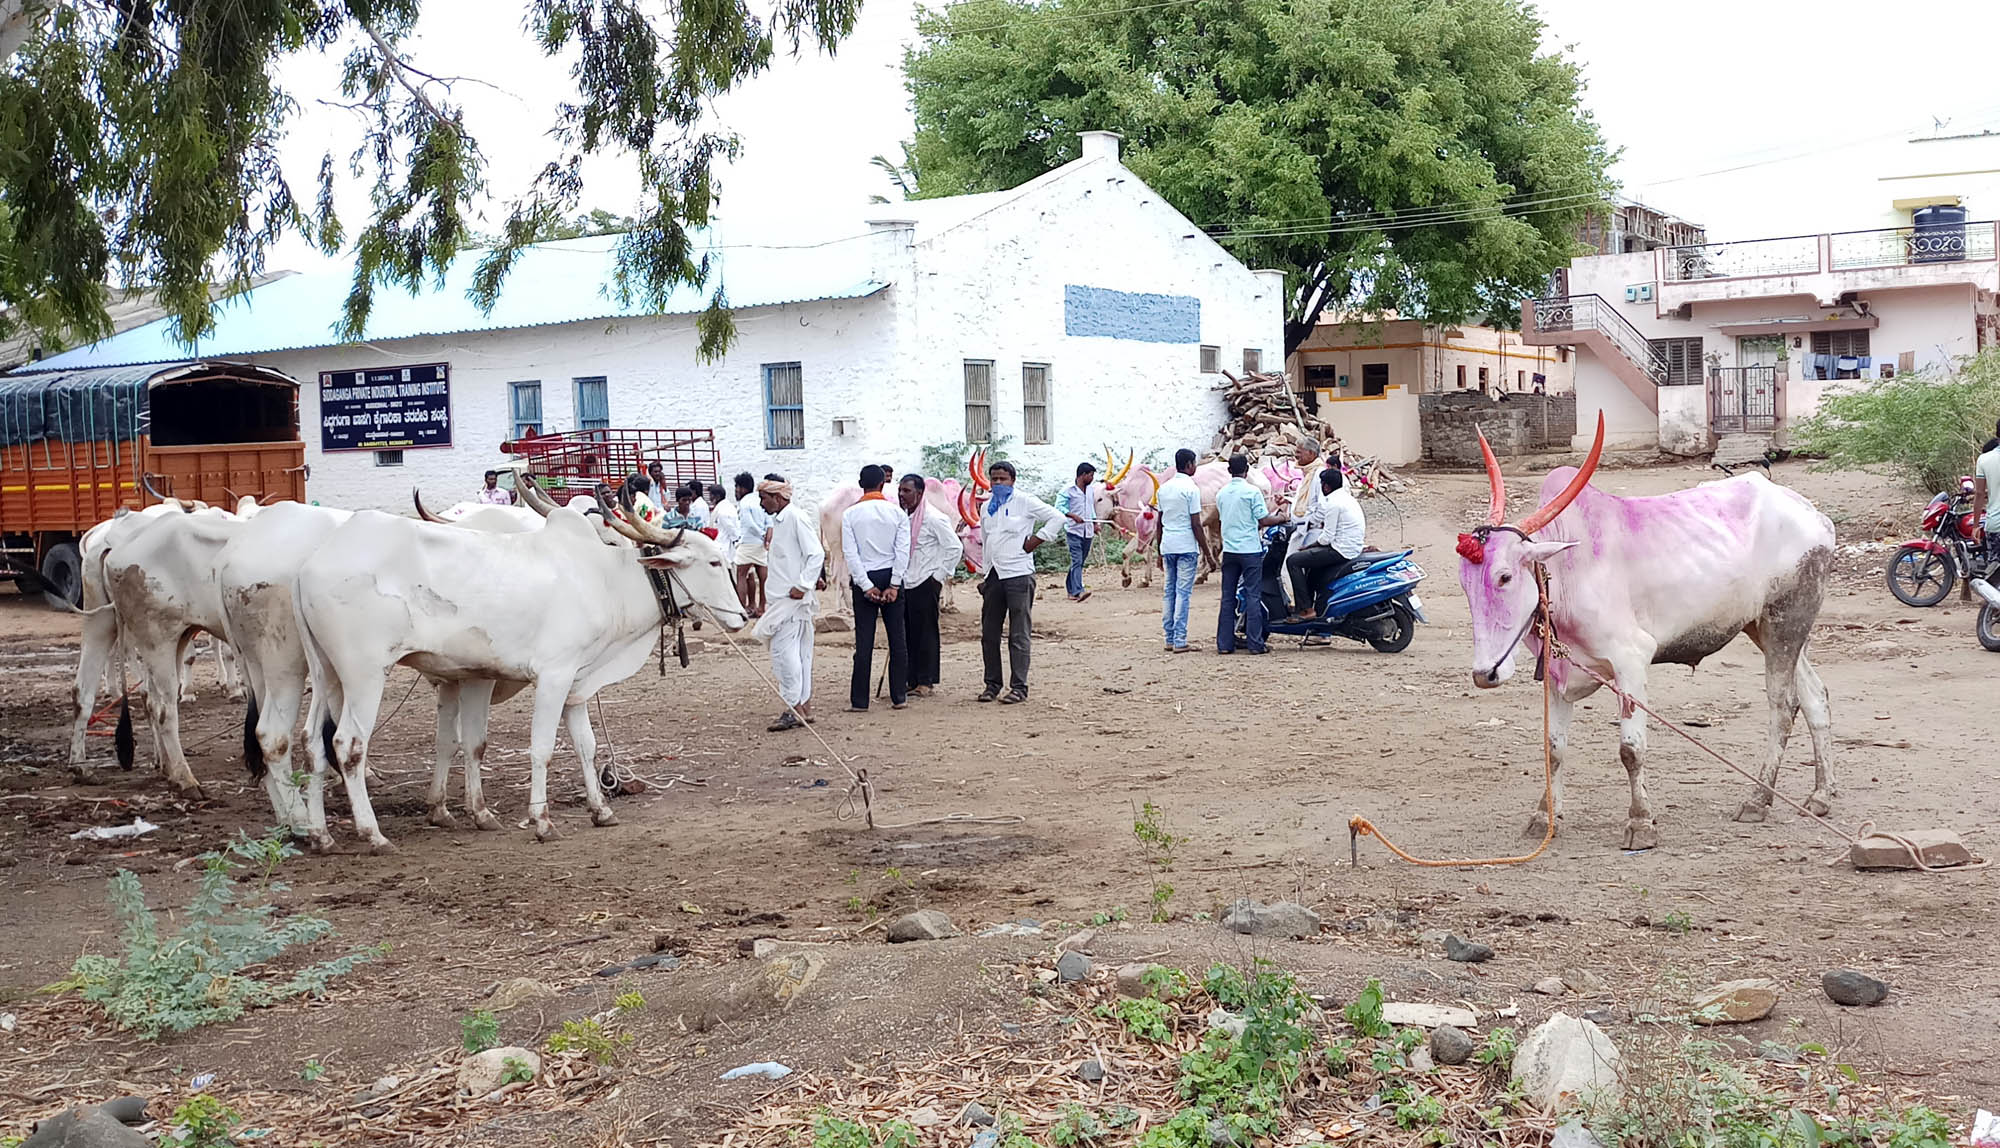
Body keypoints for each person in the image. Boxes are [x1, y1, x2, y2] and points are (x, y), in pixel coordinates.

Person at [975, 458, 1065, 704]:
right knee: (989, 634)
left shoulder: (1024, 501)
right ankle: (992, 684)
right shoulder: (987, 508)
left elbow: (1057, 517)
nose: (998, 483)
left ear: (1012, 480)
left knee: (1019, 633)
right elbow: (985, 541)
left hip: (1018, 573)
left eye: (1003, 479)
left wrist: (1036, 540)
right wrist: (985, 575)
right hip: (994, 575)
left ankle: (1019, 687)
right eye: (994, 479)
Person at [841, 464, 913, 712]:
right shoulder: (897, 514)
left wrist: (865, 585)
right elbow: (902, 551)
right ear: (883, 484)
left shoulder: (850, 515)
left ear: (861, 485)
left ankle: (860, 701)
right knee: (898, 640)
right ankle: (899, 697)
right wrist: (894, 583)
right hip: (891, 575)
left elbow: (850, 554)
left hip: (866, 577)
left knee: (864, 642)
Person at [754, 477, 823, 732]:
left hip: (791, 599)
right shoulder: (780, 520)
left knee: (785, 655)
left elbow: (815, 554)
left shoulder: (794, 517)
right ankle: (803, 707)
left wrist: (804, 584)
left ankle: (793, 708)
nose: (762, 504)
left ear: (779, 497)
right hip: (786, 598)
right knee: (800, 654)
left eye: (764, 498)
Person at [1216, 453, 1286, 654]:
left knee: (1227, 597)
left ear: (1229, 471)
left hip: (1229, 551)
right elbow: (1263, 520)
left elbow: (1227, 519)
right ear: (1246, 471)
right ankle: (1255, 644)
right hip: (1250, 551)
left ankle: (1224, 644)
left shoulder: (1221, 494)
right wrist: (1281, 518)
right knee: (1253, 595)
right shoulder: (1252, 492)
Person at [899, 473, 962, 698]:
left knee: (925, 633)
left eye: (907, 491)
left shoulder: (934, 518)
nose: (902, 495)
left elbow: (954, 548)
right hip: (905, 582)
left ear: (919, 493)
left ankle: (926, 681)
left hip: (925, 581)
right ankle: (911, 679)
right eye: (901, 490)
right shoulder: (903, 518)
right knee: (907, 633)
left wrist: (938, 576)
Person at [1285, 464, 1366, 621]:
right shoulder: (1346, 498)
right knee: (1308, 565)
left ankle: (1306, 610)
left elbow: (1326, 538)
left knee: (1293, 561)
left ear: (1326, 487)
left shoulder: (1333, 504)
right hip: (1349, 546)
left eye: (1322, 484)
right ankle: (1307, 605)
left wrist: (1309, 546)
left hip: (1339, 550)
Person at [1154, 448, 1213, 653]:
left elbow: (1159, 523)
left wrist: (1159, 551)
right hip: (1186, 545)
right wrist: (1208, 554)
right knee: (1183, 593)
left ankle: (1169, 638)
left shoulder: (1163, 489)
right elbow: (1196, 524)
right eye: (1194, 463)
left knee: (1169, 592)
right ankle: (1180, 639)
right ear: (1189, 465)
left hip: (1168, 545)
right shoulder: (1192, 489)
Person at [1055, 462, 1097, 602]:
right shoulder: (1068, 490)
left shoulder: (1091, 490)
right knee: (1077, 560)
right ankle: (1079, 591)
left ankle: (1071, 590)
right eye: (1090, 475)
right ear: (1083, 475)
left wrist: (1095, 523)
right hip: (1073, 530)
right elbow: (1059, 507)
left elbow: (1091, 508)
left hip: (1088, 531)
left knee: (1078, 562)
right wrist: (1072, 515)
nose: (1092, 478)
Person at [732, 471, 770, 618]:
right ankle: (761, 608)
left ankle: (742, 609)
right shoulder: (759, 500)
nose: (735, 491)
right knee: (762, 577)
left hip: (748, 541)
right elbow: (768, 520)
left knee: (741, 575)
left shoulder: (744, 503)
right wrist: (765, 537)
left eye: (736, 487)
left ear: (742, 488)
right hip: (761, 544)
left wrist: (760, 533)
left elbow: (748, 524)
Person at [1975, 419, 2000, 560]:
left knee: (1996, 577)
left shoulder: (1984, 459)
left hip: (1995, 525)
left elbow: (1979, 493)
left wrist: (1975, 526)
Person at [706, 482, 738, 570]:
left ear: (717, 496)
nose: (709, 498)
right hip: (721, 545)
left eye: (711, 495)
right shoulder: (721, 507)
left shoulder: (723, 510)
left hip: (725, 547)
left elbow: (732, 531)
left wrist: (735, 543)